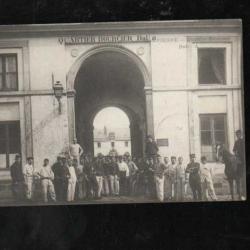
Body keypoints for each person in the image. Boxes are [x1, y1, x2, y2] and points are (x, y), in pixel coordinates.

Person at [233, 129, 246, 198]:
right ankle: (240, 193)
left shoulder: (243, 141)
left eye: (238, 134)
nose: (237, 135)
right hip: (239, 159)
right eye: (236, 134)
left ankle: (243, 193)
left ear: (240, 134)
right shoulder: (236, 142)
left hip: (243, 159)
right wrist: (235, 154)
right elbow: (234, 150)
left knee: (243, 177)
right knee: (238, 175)